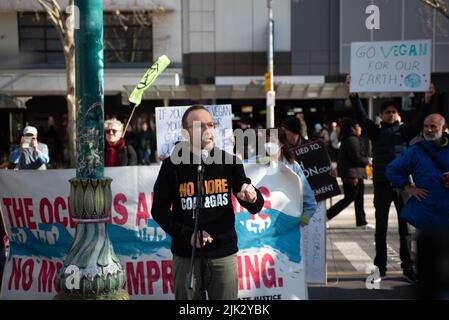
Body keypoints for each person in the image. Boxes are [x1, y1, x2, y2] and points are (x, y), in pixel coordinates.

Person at [151, 105, 264, 300]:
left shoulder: (229, 161)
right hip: (187, 256)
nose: (208, 130)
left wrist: (252, 197)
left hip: (223, 255)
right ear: (185, 133)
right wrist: (188, 235)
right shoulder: (171, 166)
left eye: (211, 125)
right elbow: (159, 211)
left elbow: (255, 204)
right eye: (199, 126)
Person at [348, 75, 435, 282]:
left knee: (406, 230)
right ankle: (381, 269)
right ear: (381, 115)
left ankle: (408, 268)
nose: (391, 114)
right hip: (381, 185)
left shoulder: (405, 131)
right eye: (387, 112)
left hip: (403, 186)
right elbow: (361, 116)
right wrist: (353, 95)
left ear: (398, 115)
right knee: (381, 230)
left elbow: (421, 119)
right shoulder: (375, 132)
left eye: (394, 112)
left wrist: (427, 100)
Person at [386, 114, 449, 297]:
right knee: (428, 253)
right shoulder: (416, 150)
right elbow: (392, 169)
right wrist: (408, 187)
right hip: (427, 212)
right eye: (426, 126)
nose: (428, 130)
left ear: (443, 129)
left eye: (433, 127)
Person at [326, 118, 373, 229]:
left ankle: (362, 222)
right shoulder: (352, 140)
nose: (360, 129)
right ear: (353, 128)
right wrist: (368, 161)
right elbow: (356, 157)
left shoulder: (349, 139)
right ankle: (326, 216)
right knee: (349, 198)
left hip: (355, 173)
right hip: (352, 174)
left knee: (358, 198)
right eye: (358, 126)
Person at [265, 128, 317, 227]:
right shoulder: (258, 165)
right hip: (264, 225)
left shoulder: (293, 167)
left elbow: (309, 200)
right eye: (266, 141)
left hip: (288, 225)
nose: (268, 144)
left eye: (272, 141)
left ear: (282, 143)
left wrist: (304, 220)